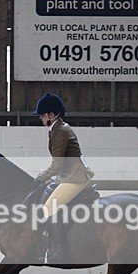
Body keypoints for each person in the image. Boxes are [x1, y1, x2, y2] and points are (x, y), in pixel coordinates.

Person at [33, 93, 94, 264]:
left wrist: (41, 177)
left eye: (42, 114)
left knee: (49, 208)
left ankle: (59, 251)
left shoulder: (60, 131)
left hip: (75, 178)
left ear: (52, 115)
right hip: (66, 176)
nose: (40, 117)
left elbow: (57, 165)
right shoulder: (56, 129)